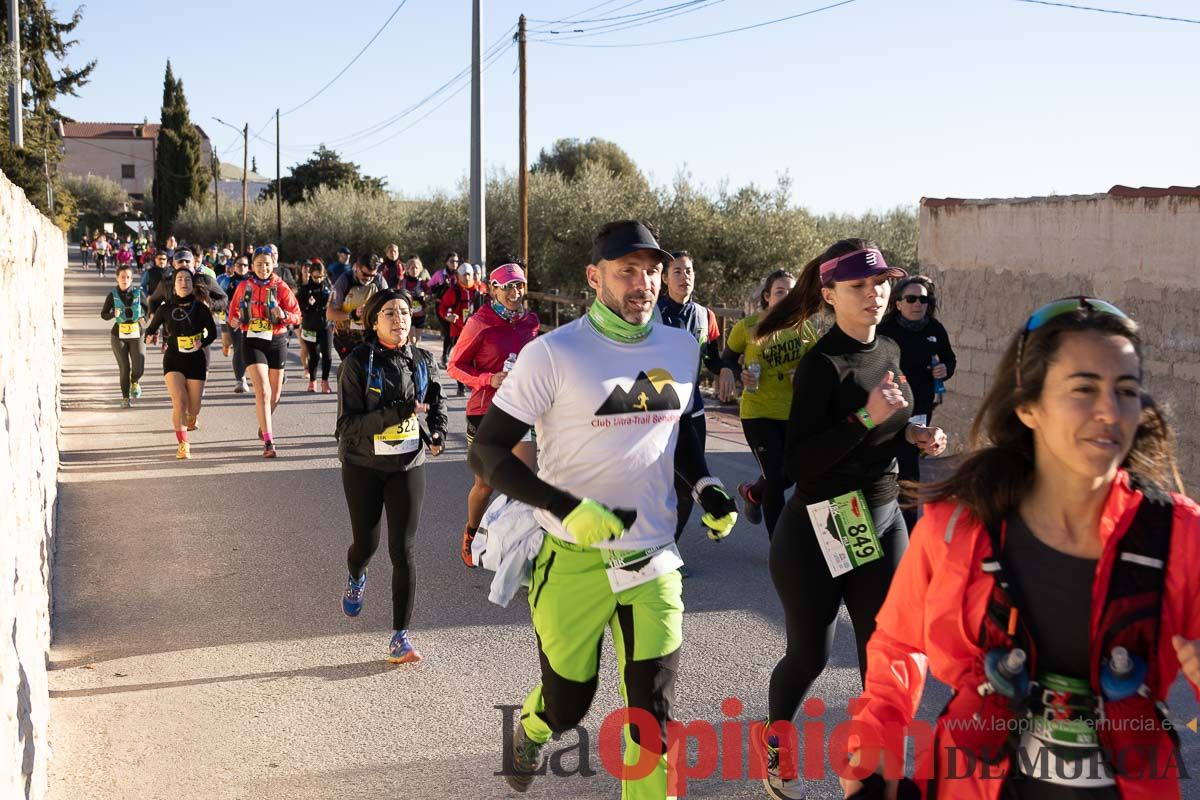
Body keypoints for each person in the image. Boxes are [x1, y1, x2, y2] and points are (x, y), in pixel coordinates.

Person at [842, 296, 1200, 800]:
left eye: (1126, 390)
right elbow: (900, 644)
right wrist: (875, 738)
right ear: (1029, 407)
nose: (1109, 411)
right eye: (1083, 389)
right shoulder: (958, 527)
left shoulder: (1180, 534)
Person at [468, 220, 738, 798]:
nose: (642, 284)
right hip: (572, 559)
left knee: (653, 714)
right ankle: (534, 728)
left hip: (652, 556)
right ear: (594, 278)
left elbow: (680, 431)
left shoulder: (681, 346)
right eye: (626, 272)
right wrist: (563, 507)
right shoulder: (552, 354)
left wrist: (707, 484)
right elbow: (486, 452)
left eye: (649, 271)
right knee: (570, 703)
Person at [752, 239, 947, 800]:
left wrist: (915, 435)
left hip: (885, 515)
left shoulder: (888, 347)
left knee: (885, 663)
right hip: (827, 522)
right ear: (830, 294)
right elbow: (797, 465)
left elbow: (891, 425)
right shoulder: (821, 365)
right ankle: (778, 738)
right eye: (860, 286)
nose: (875, 293)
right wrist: (868, 416)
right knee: (810, 656)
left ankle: (869, 784)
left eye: (880, 282)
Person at [336, 289, 447, 663]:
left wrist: (437, 433)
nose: (399, 318)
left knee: (404, 550)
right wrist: (397, 414)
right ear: (373, 321)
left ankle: (401, 636)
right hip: (363, 466)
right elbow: (347, 426)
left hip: (407, 466)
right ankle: (356, 576)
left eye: (404, 311)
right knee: (366, 546)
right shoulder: (357, 363)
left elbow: (436, 402)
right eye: (389, 312)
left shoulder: (423, 360)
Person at [447, 262, 540, 567]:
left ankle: (523, 550)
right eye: (508, 286)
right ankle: (471, 534)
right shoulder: (480, 321)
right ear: (493, 289)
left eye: (520, 285)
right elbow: (454, 366)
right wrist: (489, 379)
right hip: (486, 410)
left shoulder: (530, 322)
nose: (516, 292)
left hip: (522, 409)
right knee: (485, 485)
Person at [716, 269, 818, 538]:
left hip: (792, 411)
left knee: (790, 474)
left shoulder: (803, 327)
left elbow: (818, 364)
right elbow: (727, 358)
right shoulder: (748, 327)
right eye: (780, 292)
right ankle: (778, 545)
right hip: (758, 410)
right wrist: (739, 374)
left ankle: (752, 493)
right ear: (767, 296)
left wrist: (804, 374)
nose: (786, 297)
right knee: (775, 477)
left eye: (791, 292)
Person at [878, 275, 957, 532]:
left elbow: (949, 359)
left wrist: (944, 369)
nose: (917, 304)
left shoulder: (934, 329)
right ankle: (883, 521)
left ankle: (907, 533)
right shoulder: (884, 330)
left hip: (919, 411)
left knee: (910, 471)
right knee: (884, 465)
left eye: (923, 299)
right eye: (911, 298)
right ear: (898, 303)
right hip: (886, 410)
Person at [655, 250, 725, 543]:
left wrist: (728, 370)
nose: (685, 277)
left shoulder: (705, 316)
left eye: (689, 271)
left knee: (688, 484)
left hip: (692, 412)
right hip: (655, 411)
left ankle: (670, 548)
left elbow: (713, 358)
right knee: (656, 484)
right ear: (664, 278)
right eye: (678, 272)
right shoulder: (652, 312)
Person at [227, 246, 302, 458]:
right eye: (259, 264)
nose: (263, 268)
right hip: (252, 340)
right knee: (263, 391)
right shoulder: (244, 286)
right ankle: (269, 441)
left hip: (276, 340)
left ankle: (264, 423)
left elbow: (297, 316)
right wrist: (234, 320)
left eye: (267, 264)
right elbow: (232, 313)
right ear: (252, 266)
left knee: (275, 395)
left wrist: (285, 314)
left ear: (274, 265)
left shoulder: (281, 287)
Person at [143, 270, 218, 459]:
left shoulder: (201, 308)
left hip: (196, 361)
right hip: (173, 359)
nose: (183, 282)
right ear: (174, 285)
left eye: (187, 280)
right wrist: (150, 335)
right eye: (179, 279)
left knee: (193, 408)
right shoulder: (165, 308)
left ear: (192, 285)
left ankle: (192, 417)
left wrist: (203, 342)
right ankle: (183, 444)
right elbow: (151, 329)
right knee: (179, 401)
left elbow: (213, 333)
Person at [100, 263, 149, 407]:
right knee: (124, 368)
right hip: (118, 335)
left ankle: (135, 380)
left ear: (131, 279)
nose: (125, 279)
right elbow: (103, 314)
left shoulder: (138, 293)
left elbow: (147, 309)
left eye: (128, 277)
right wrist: (112, 314)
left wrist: (144, 317)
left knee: (138, 367)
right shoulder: (112, 295)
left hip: (136, 334)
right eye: (122, 277)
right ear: (117, 278)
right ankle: (125, 398)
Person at [329, 253, 388, 359]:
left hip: (370, 337)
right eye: (365, 275)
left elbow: (388, 307)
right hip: (346, 338)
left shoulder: (380, 282)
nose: (368, 279)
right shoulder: (344, 281)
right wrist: (352, 315)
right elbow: (330, 314)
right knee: (352, 371)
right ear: (357, 267)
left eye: (372, 276)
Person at [437, 263, 482, 396]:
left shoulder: (479, 290)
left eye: (469, 274)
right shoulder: (453, 291)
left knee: (476, 359)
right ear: (458, 276)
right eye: (464, 275)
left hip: (476, 331)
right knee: (461, 360)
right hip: (458, 330)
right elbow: (442, 308)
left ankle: (474, 383)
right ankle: (460, 386)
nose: (467, 277)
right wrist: (448, 316)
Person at [297, 258, 334, 393]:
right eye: (315, 277)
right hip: (309, 326)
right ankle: (312, 380)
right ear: (310, 275)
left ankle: (325, 381)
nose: (318, 279)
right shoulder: (304, 289)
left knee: (328, 355)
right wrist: (308, 305)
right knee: (313, 355)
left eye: (320, 277)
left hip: (326, 325)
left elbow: (334, 305)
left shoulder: (328, 288)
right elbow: (299, 307)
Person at [219, 256, 253, 393]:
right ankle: (240, 379)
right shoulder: (227, 282)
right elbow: (220, 298)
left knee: (249, 347)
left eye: (245, 265)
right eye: (239, 265)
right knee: (239, 346)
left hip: (252, 320)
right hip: (233, 319)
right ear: (234, 266)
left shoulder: (253, 281)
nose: (242, 268)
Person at [428, 252, 460, 367]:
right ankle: (445, 356)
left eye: (456, 261)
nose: (454, 264)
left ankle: (447, 355)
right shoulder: (439, 274)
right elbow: (429, 288)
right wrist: (441, 287)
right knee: (447, 330)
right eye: (452, 261)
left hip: (455, 308)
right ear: (446, 262)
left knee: (454, 333)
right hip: (441, 306)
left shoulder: (458, 275)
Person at [400, 257, 430, 345]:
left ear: (420, 269)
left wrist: (424, 296)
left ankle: (413, 354)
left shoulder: (422, 283)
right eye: (412, 268)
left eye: (416, 268)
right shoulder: (403, 282)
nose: (414, 270)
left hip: (420, 314)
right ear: (407, 269)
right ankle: (411, 355)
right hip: (408, 314)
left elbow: (429, 294)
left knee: (416, 340)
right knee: (412, 340)